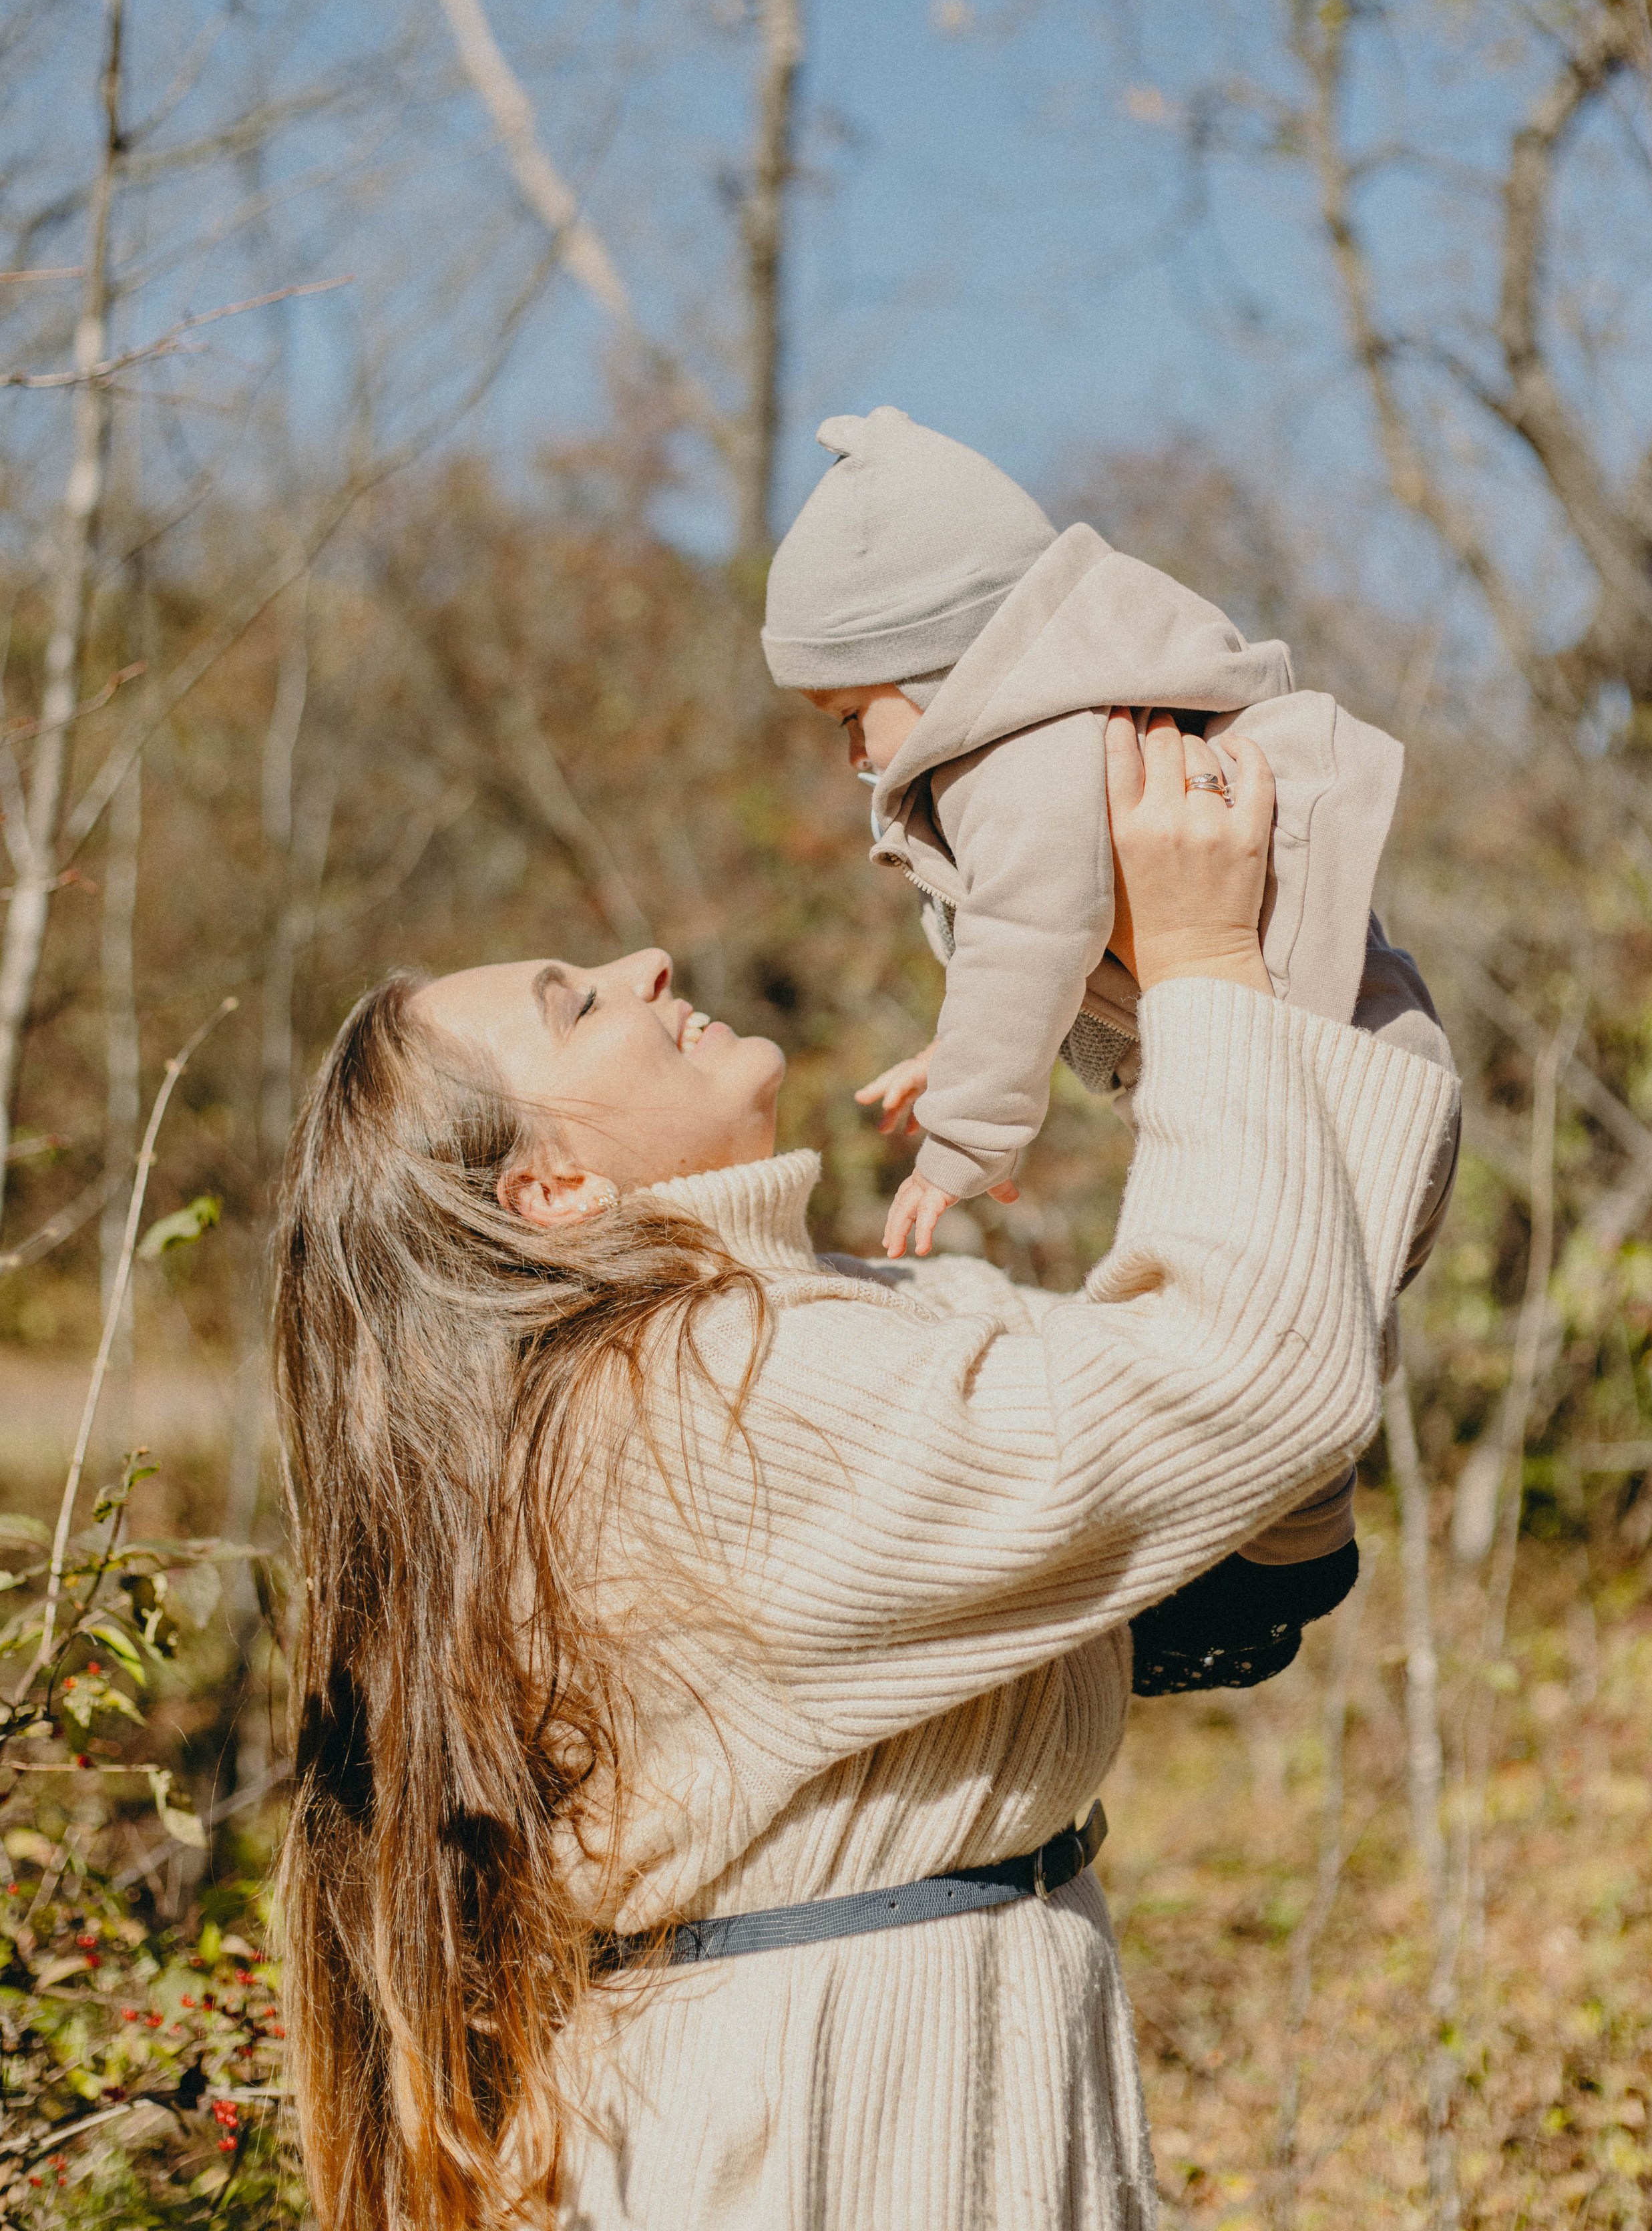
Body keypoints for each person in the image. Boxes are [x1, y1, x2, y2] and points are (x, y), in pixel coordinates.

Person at [272, 714, 1458, 2231]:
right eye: (577, 1005)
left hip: (950, 2091)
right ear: (553, 1188)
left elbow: (1249, 1462)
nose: (643, 964)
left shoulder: (792, 1329)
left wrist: (1222, 1007)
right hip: (840, 2142)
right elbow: (1243, 1389)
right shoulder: (698, 1407)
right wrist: (1209, 964)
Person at [761, 405, 1434, 1264]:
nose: (854, 750)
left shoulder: (1016, 755)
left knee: (1279, 1321)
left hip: (1345, 1080)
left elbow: (1029, 936)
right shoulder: (1046, 729)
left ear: (940, 661)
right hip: (1349, 1055)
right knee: (1312, 1324)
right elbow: (1043, 948)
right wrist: (957, 1050)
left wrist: (962, 1141)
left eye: (852, 713)